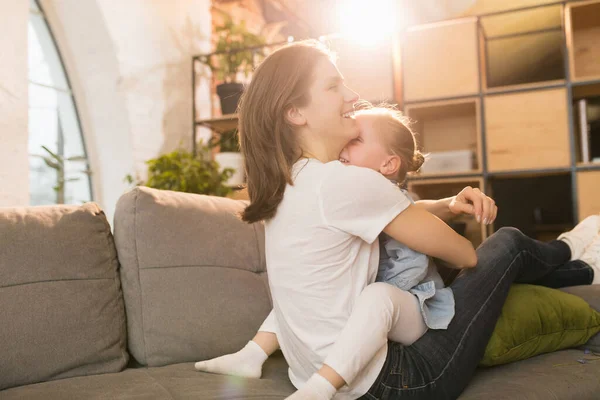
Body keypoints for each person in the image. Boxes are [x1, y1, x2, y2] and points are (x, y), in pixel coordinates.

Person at [197, 40, 600, 400]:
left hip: (306, 374)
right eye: (334, 86)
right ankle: (575, 252)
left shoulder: (288, 183)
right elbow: (465, 255)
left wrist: (443, 204)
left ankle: (580, 262)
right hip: (395, 382)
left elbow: (384, 216)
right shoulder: (345, 183)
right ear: (295, 111)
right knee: (507, 244)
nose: (352, 96)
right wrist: (441, 220)